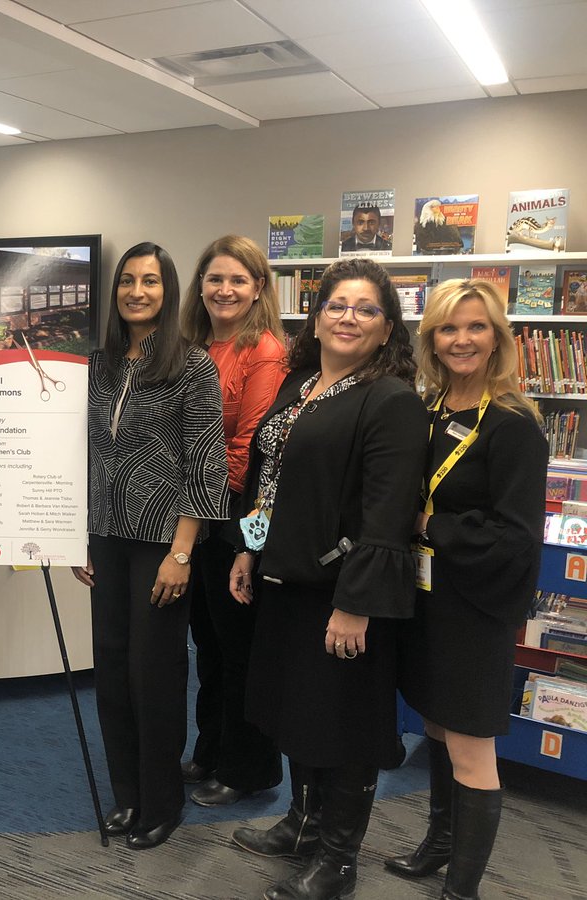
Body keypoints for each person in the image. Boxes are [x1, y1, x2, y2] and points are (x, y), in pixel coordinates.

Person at [229, 256, 427, 900]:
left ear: (386, 327)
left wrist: (357, 603)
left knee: (343, 728)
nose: (348, 317)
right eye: (337, 305)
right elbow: (270, 479)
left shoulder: (390, 399)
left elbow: (389, 511)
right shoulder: (300, 384)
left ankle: (337, 860)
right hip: (284, 581)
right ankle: (302, 824)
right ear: (314, 319)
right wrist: (247, 549)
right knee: (298, 713)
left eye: (367, 309)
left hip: (341, 593)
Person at [388, 280, 545, 900]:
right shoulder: (427, 411)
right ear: (431, 338)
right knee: (434, 726)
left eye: (477, 327)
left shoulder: (513, 424)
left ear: (497, 336)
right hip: (426, 599)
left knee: (471, 747)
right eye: (449, 328)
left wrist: (431, 524)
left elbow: (516, 537)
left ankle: (463, 888)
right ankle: (440, 843)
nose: (462, 340)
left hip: (474, 607)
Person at [72, 242, 229, 850]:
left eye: (151, 282)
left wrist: (183, 551)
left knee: (154, 674)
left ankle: (162, 802)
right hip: (105, 537)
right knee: (110, 670)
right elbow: (82, 453)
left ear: (169, 292)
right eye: (128, 282)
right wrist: (78, 535)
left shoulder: (192, 365)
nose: (138, 292)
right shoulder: (98, 364)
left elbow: (205, 464)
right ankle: (128, 795)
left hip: (161, 542)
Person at [179, 235, 286, 807]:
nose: (225, 290)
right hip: (196, 513)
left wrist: (195, 494)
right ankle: (211, 749)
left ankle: (248, 768)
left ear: (258, 288)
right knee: (208, 641)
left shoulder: (264, 350)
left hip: (242, 515)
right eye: (216, 279)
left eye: (238, 280)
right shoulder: (191, 345)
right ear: (200, 286)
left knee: (240, 643)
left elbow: (252, 445)